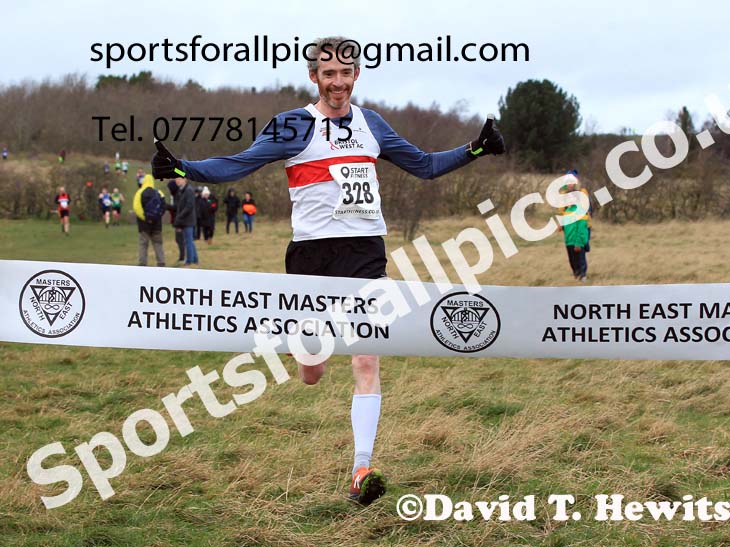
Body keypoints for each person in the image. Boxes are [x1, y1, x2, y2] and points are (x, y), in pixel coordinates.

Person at [151, 35, 504, 506]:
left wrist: (476, 148)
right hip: (311, 254)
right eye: (328, 74)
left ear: (356, 74)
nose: (338, 82)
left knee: (365, 357)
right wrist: (182, 168)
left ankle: (362, 467)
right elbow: (237, 165)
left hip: (363, 252)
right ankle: (310, 360)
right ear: (314, 77)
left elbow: (423, 165)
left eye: (345, 73)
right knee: (313, 368)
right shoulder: (292, 125)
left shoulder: (372, 123)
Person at [558, 171, 591, 282]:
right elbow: (563, 215)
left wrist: (578, 242)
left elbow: (581, 227)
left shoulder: (581, 196)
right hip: (569, 239)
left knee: (580, 255)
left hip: (578, 237)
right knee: (572, 259)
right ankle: (576, 274)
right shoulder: (567, 209)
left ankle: (583, 274)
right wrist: (562, 225)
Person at [133, 174, 166, 267]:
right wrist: (157, 217)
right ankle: (161, 262)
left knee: (143, 244)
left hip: (144, 225)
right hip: (157, 224)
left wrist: (145, 218)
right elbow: (163, 207)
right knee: (158, 243)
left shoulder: (139, 192)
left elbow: (137, 208)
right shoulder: (159, 192)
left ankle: (142, 263)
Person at [172, 177, 198, 266]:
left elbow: (189, 206)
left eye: (179, 179)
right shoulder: (181, 190)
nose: (177, 181)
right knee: (189, 240)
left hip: (188, 220)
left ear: (185, 180)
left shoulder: (189, 190)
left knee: (188, 241)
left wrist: (180, 216)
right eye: (176, 179)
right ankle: (195, 259)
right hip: (184, 220)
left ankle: (189, 261)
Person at [166, 180, 186, 264]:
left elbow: (176, 207)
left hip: (180, 221)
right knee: (178, 239)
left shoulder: (178, 195)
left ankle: (182, 257)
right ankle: (182, 256)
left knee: (180, 239)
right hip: (177, 220)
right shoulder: (174, 195)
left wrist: (166, 206)